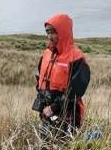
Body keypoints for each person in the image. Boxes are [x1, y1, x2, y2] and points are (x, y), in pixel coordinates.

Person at [32, 13, 90, 142]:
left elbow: (76, 91)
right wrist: (42, 103)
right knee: (45, 149)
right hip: (46, 113)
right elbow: (39, 79)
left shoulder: (76, 57)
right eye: (47, 32)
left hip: (68, 114)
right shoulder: (46, 54)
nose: (50, 36)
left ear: (63, 31)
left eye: (53, 32)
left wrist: (54, 107)